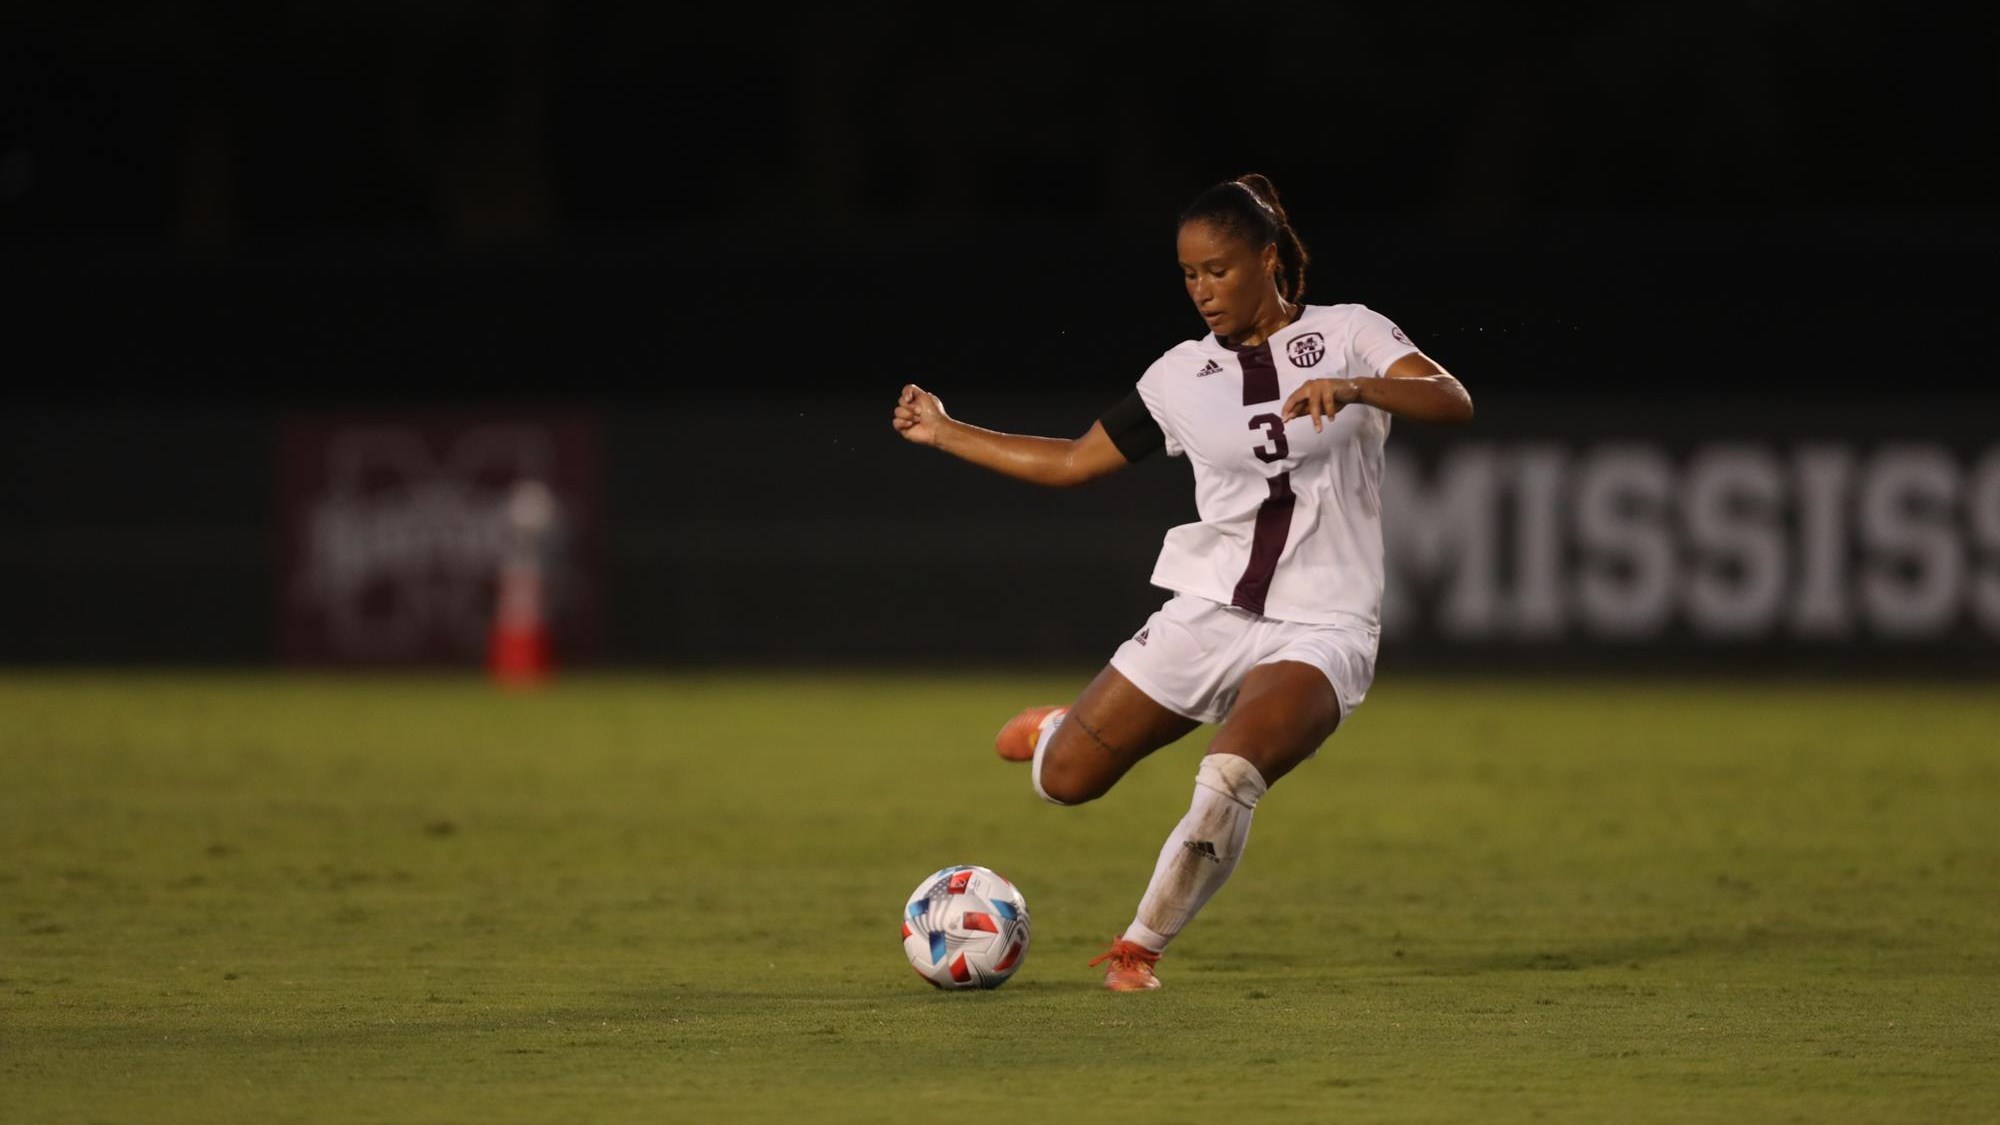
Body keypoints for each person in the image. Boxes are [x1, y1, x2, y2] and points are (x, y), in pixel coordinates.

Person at [890, 173, 1474, 991]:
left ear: (1268, 258)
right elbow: (1071, 462)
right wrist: (948, 432)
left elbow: (1450, 398)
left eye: (1220, 270)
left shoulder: (1349, 332)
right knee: (1065, 782)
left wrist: (1358, 386)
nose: (1202, 290)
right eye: (1189, 274)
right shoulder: (1178, 377)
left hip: (1325, 628)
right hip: (1209, 613)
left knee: (1229, 773)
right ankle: (1062, 726)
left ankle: (1138, 948)